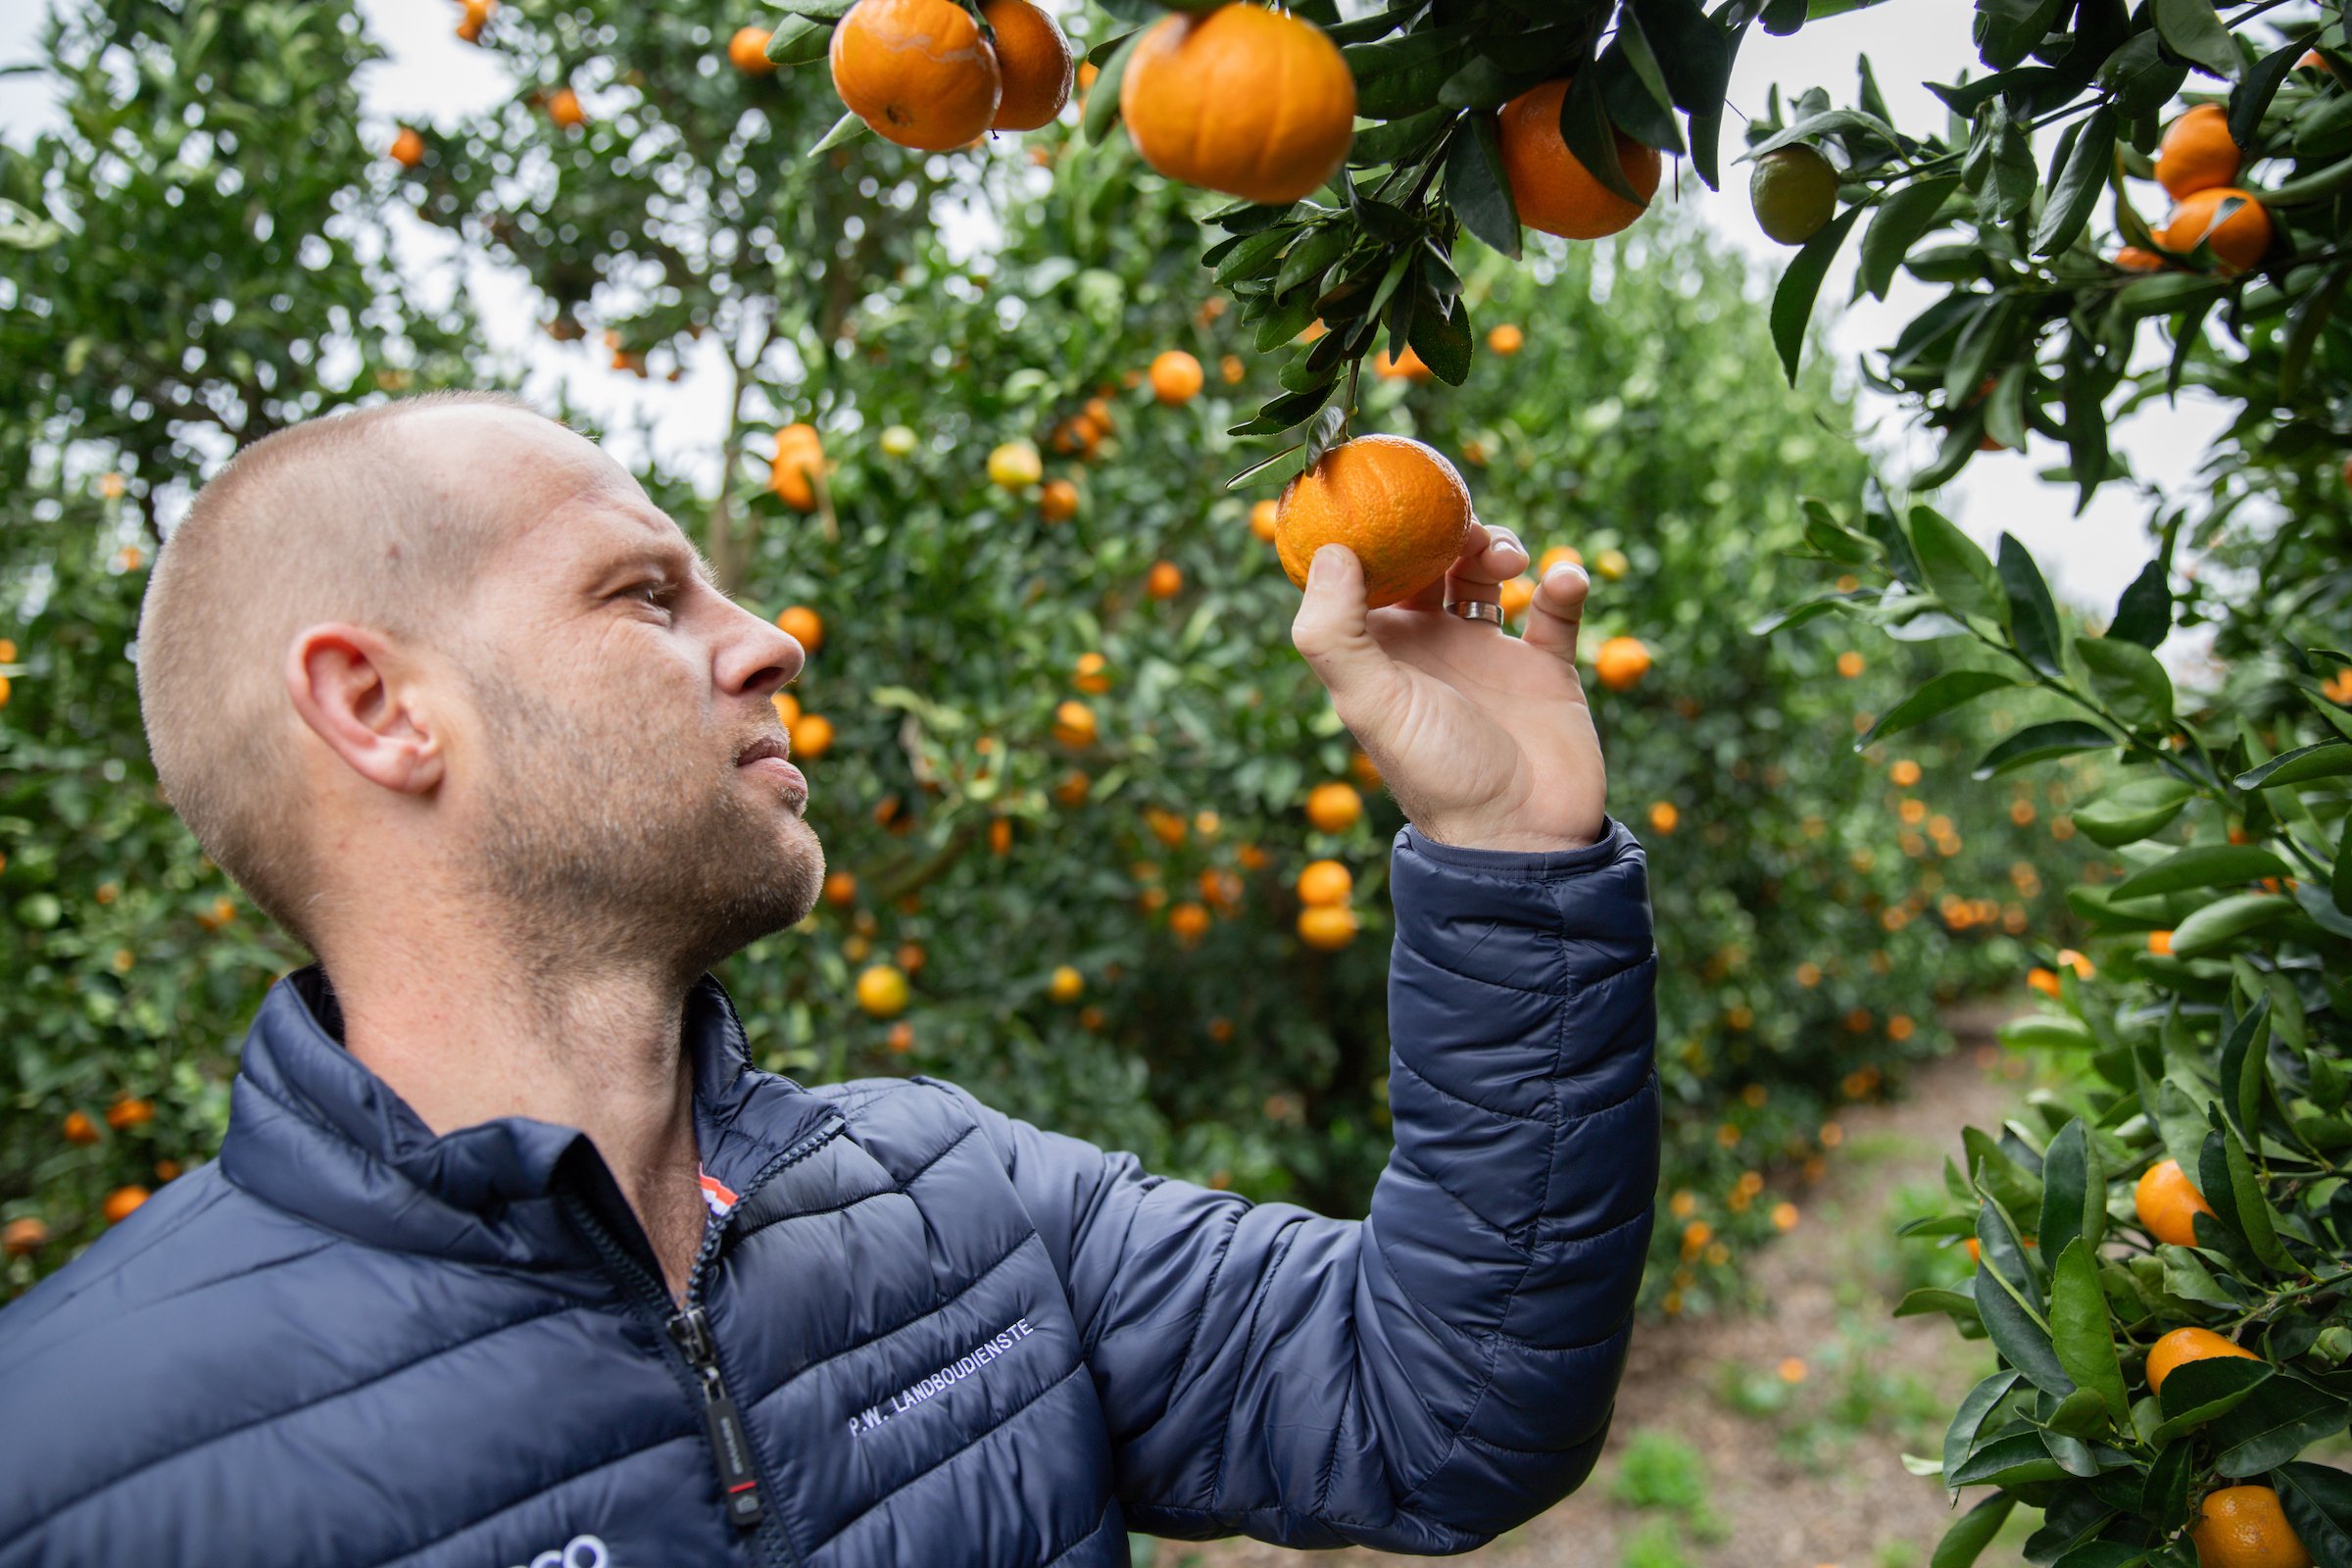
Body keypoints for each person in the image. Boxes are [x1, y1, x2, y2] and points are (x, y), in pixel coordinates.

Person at [0, 394, 1657, 1567]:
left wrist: (1511, 853)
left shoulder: (959, 1200)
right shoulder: (73, 1469)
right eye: (645, 593)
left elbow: (1444, 1412)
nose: (771, 638)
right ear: (379, 709)